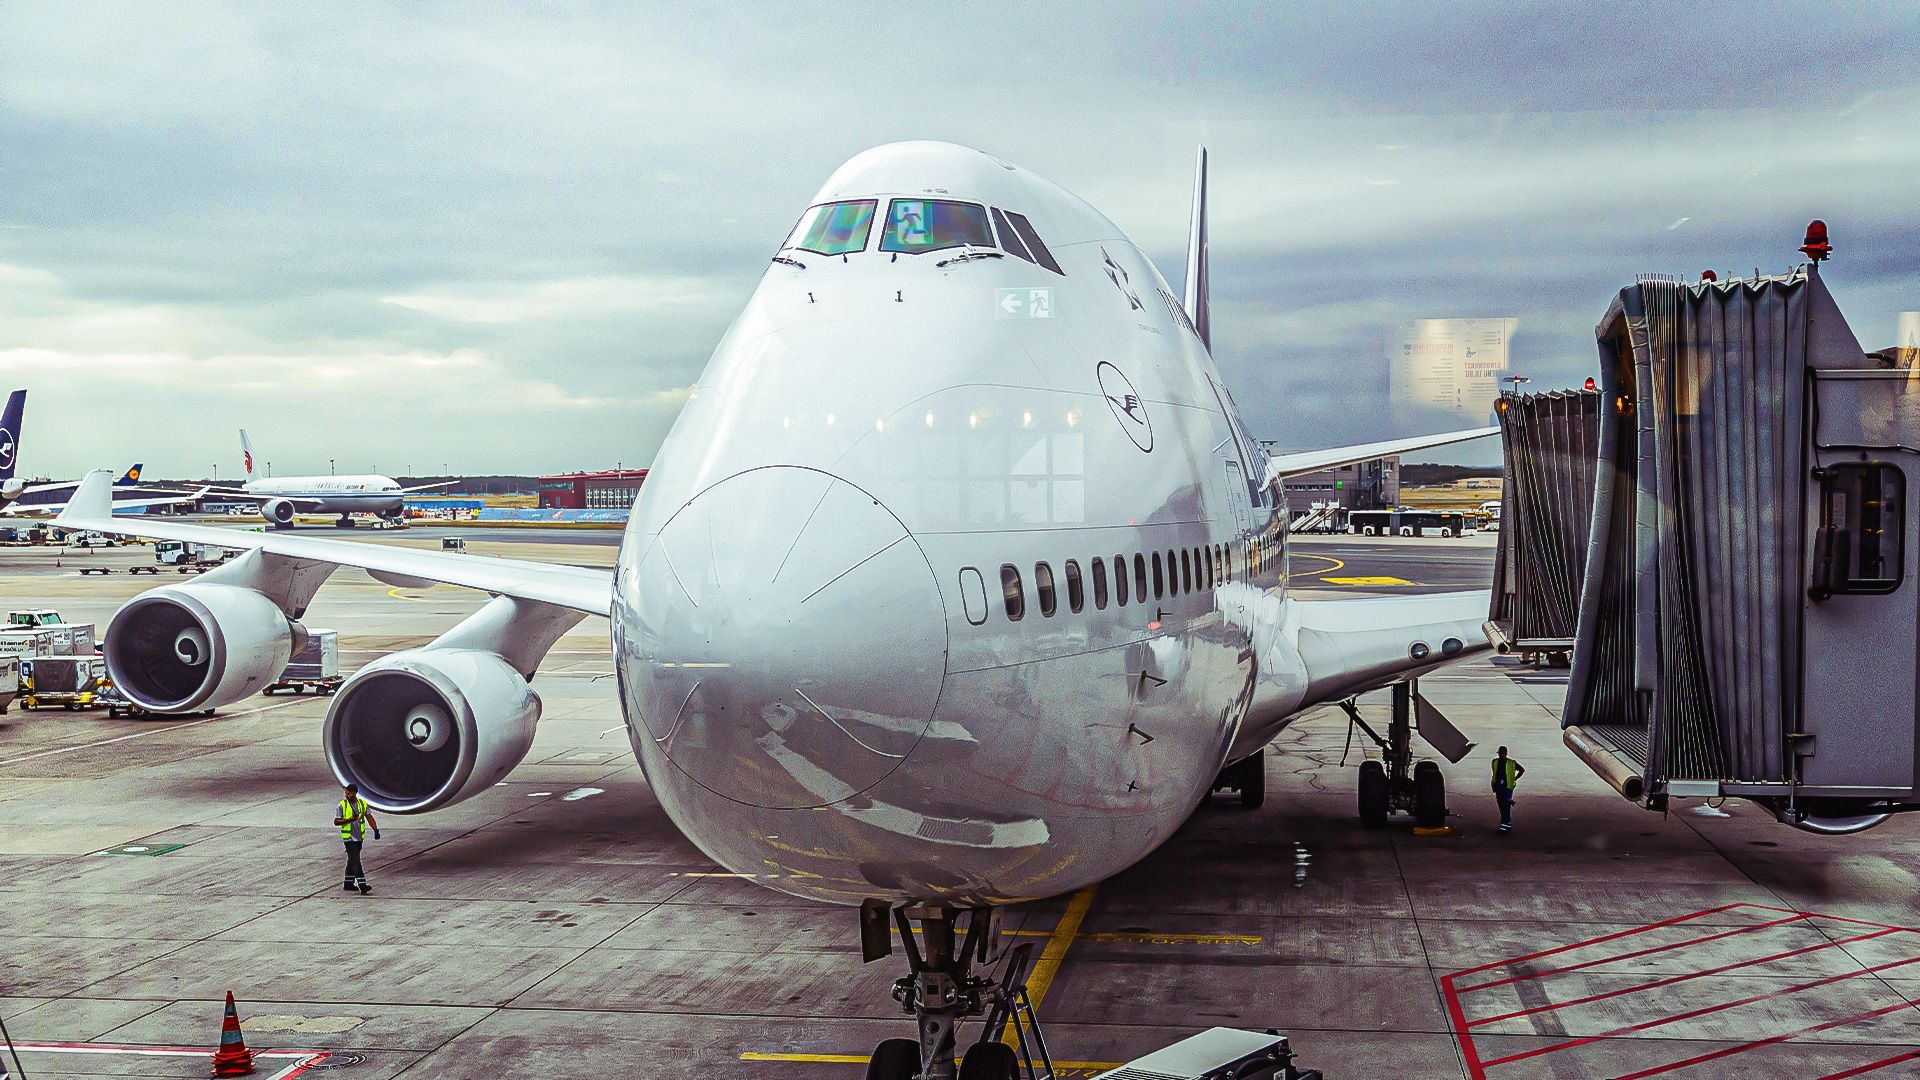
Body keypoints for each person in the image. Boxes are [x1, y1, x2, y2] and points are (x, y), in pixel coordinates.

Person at [333, 783, 379, 894]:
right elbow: (336, 821)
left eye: (349, 793)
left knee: (352, 860)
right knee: (356, 861)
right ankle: (362, 885)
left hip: (359, 837)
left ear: (355, 793)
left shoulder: (362, 804)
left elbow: (369, 817)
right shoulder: (341, 805)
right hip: (349, 838)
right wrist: (349, 820)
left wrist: (375, 829)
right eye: (346, 793)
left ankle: (348, 883)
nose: (346, 795)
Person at [1491, 746, 1525, 834]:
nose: (1500, 755)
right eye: (1499, 753)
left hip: (1507, 787)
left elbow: (1522, 770)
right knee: (1501, 805)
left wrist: (1514, 778)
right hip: (1498, 787)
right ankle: (1508, 823)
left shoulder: (1511, 763)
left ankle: (1503, 825)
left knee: (1505, 806)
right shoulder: (1495, 762)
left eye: (1502, 753)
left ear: (1506, 753)